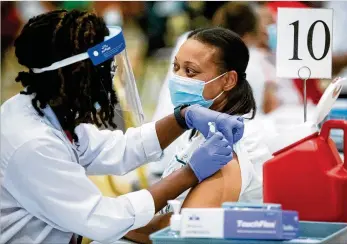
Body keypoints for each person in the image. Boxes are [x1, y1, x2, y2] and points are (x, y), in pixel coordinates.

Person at [0, 10, 245, 244]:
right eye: (108, 71)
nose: (111, 82)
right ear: (78, 74)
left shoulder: (47, 110)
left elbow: (119, 149)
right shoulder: (32, 143)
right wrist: (189, 174)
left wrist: (183, 118)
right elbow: (102, 219)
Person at [125, 27, 273, 244]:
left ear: (228, 80)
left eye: (190, 71)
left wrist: (118, 221)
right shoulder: (199, 130)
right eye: (175, 67)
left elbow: (187, 229)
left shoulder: (229, 145)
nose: (178, 78)